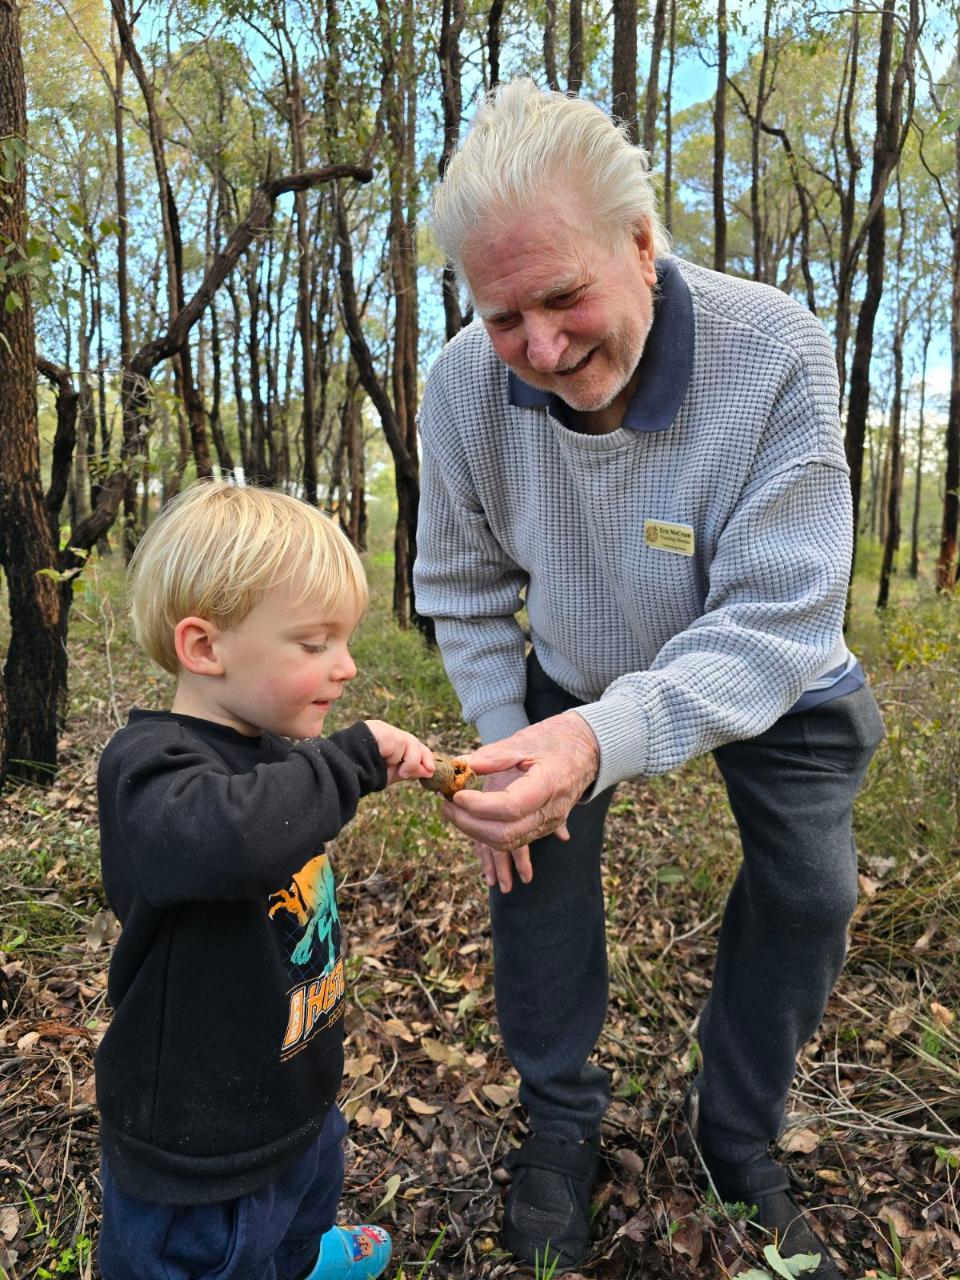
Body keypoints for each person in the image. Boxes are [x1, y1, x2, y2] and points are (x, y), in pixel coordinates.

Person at [414, 79, 885, 1278]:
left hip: (769, 662)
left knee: (813, 885)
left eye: (564, 297)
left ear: (641, 243)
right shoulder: (465, 385)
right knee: (532, 870)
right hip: (570, 661)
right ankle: (561, 1118)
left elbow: (781, 615)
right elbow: (463, 587)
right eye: (503, 313)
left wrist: (606, 737)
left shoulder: (773, 348)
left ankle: (736, 1134)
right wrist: (507, 740)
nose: (541, 347)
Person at [95, 481, 434, 1280]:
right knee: (219, 1256)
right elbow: (231, 838)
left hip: (290, 1088)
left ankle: (304, 1258)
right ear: (205, 648)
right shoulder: (150, 771)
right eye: (315, 643)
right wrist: (352, 759)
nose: (346, 667)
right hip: (199, 1144)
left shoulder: (277, 757)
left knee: (300, 1209)